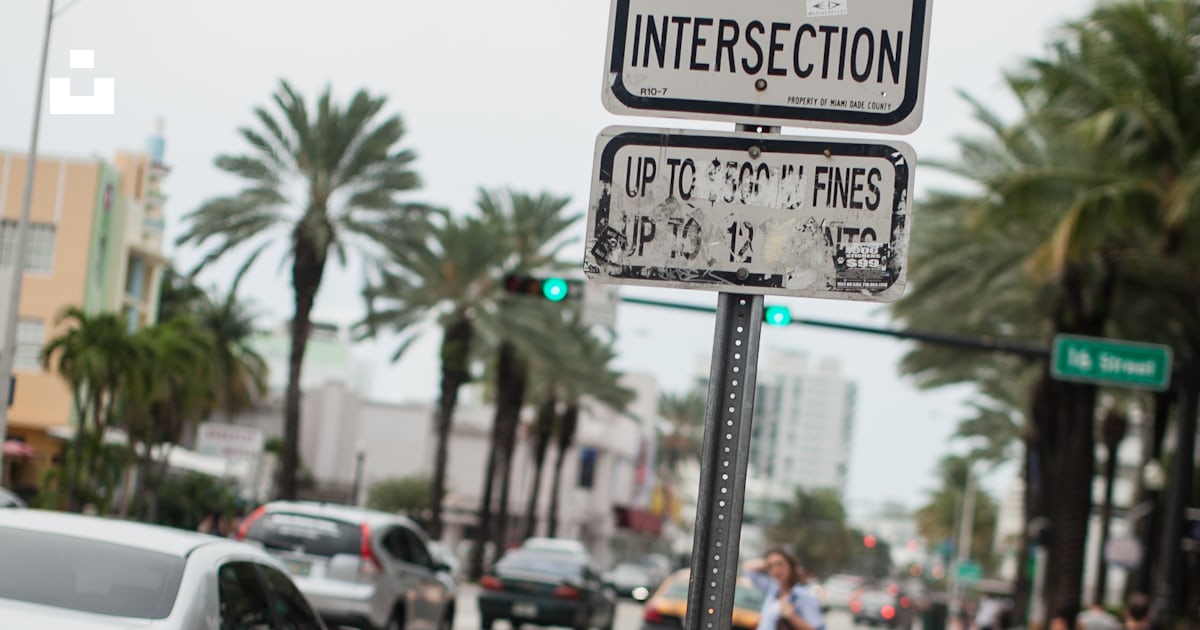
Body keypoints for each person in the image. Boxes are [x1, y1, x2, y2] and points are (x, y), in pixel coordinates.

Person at [743, 547, 825, 630]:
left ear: (791, 565)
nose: (776, 570)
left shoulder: (803, 595)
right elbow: (747, 568)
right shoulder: (773, 589)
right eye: (770, 566)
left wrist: (792, 617)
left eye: (780, 564)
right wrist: (768, 562)